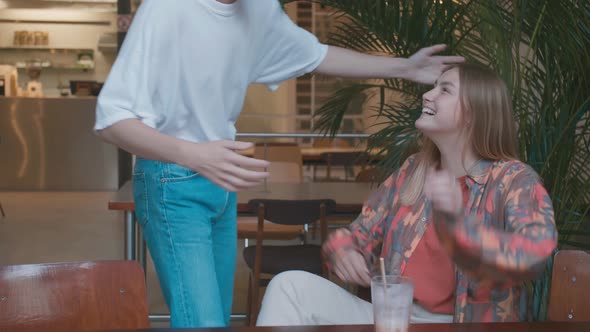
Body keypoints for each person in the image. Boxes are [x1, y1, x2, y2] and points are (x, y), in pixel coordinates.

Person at [94, 0, 464, 328]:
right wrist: (194, 155)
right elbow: (111, 120)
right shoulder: (167, 9)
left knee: (217, 319)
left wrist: (404, 68)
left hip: (219, 179)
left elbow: (315, 55)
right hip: (171, 176)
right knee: (201, 322)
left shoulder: (258, 8)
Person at [256, 63, 558, 325]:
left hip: (459, 324)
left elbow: (537, 253)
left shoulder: (514, 180)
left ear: (473, 113)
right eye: (434, 87)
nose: (427, 95)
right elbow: (354, 233)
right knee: (288, 286)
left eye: (445, 90)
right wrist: (344, 252)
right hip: (394, 317)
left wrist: (459, 228)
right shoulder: (413, 170)